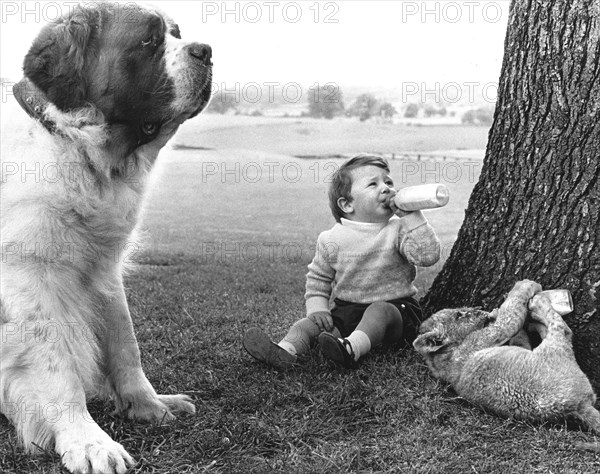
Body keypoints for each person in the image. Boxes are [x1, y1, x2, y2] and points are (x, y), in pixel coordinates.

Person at [243, 154, 441, 368]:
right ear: (347, 204)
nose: (386, 189)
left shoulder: (398, 229)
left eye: (388, 182)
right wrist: (317, 309)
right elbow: (318, 279)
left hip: (396, 312)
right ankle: (285, 350)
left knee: (378, 311)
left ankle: (352, 349)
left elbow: (428, 256)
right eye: (373, 184)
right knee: (307, 325)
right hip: (347, 311)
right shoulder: (331, 239)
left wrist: (413, 216)